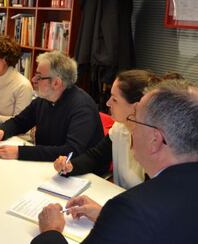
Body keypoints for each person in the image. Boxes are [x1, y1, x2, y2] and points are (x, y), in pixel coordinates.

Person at [32, 79, 198, 244]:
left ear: (155, 140)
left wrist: (50, 231)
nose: (131, 129)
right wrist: (106, 215)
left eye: (135, 120)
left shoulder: (130, 209)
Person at [0, 51, 103, 162]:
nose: (33, 79)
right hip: (48, 166)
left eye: (39, 77)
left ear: (56, 83)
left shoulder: (82, 108)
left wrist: (20, 152)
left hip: (81, 175)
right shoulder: (44, 99)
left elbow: (70, 151)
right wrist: (2, 131)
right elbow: (19, 122)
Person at [53, 70, 161, 189]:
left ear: (136, 107)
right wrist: (71, 166)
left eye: (114, 99)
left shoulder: (156, 144)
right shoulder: (120, 128)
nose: (108, 103)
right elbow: (96, 157)